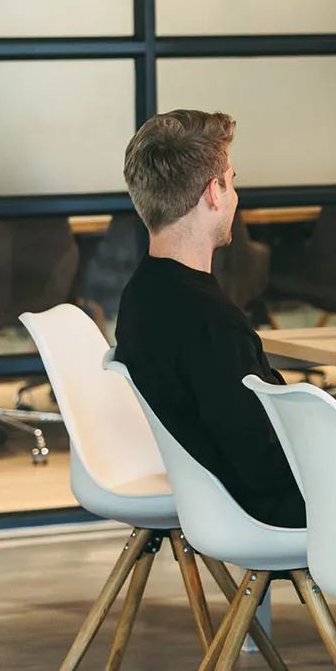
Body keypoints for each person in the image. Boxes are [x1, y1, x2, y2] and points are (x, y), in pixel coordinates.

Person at [111, 109, 304, 529]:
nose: (235, 196)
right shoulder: (211, 322)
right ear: (214, 192)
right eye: (231, 181)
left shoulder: (142, 295)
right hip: (273, 512)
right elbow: (268, 466)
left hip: (216, 502)